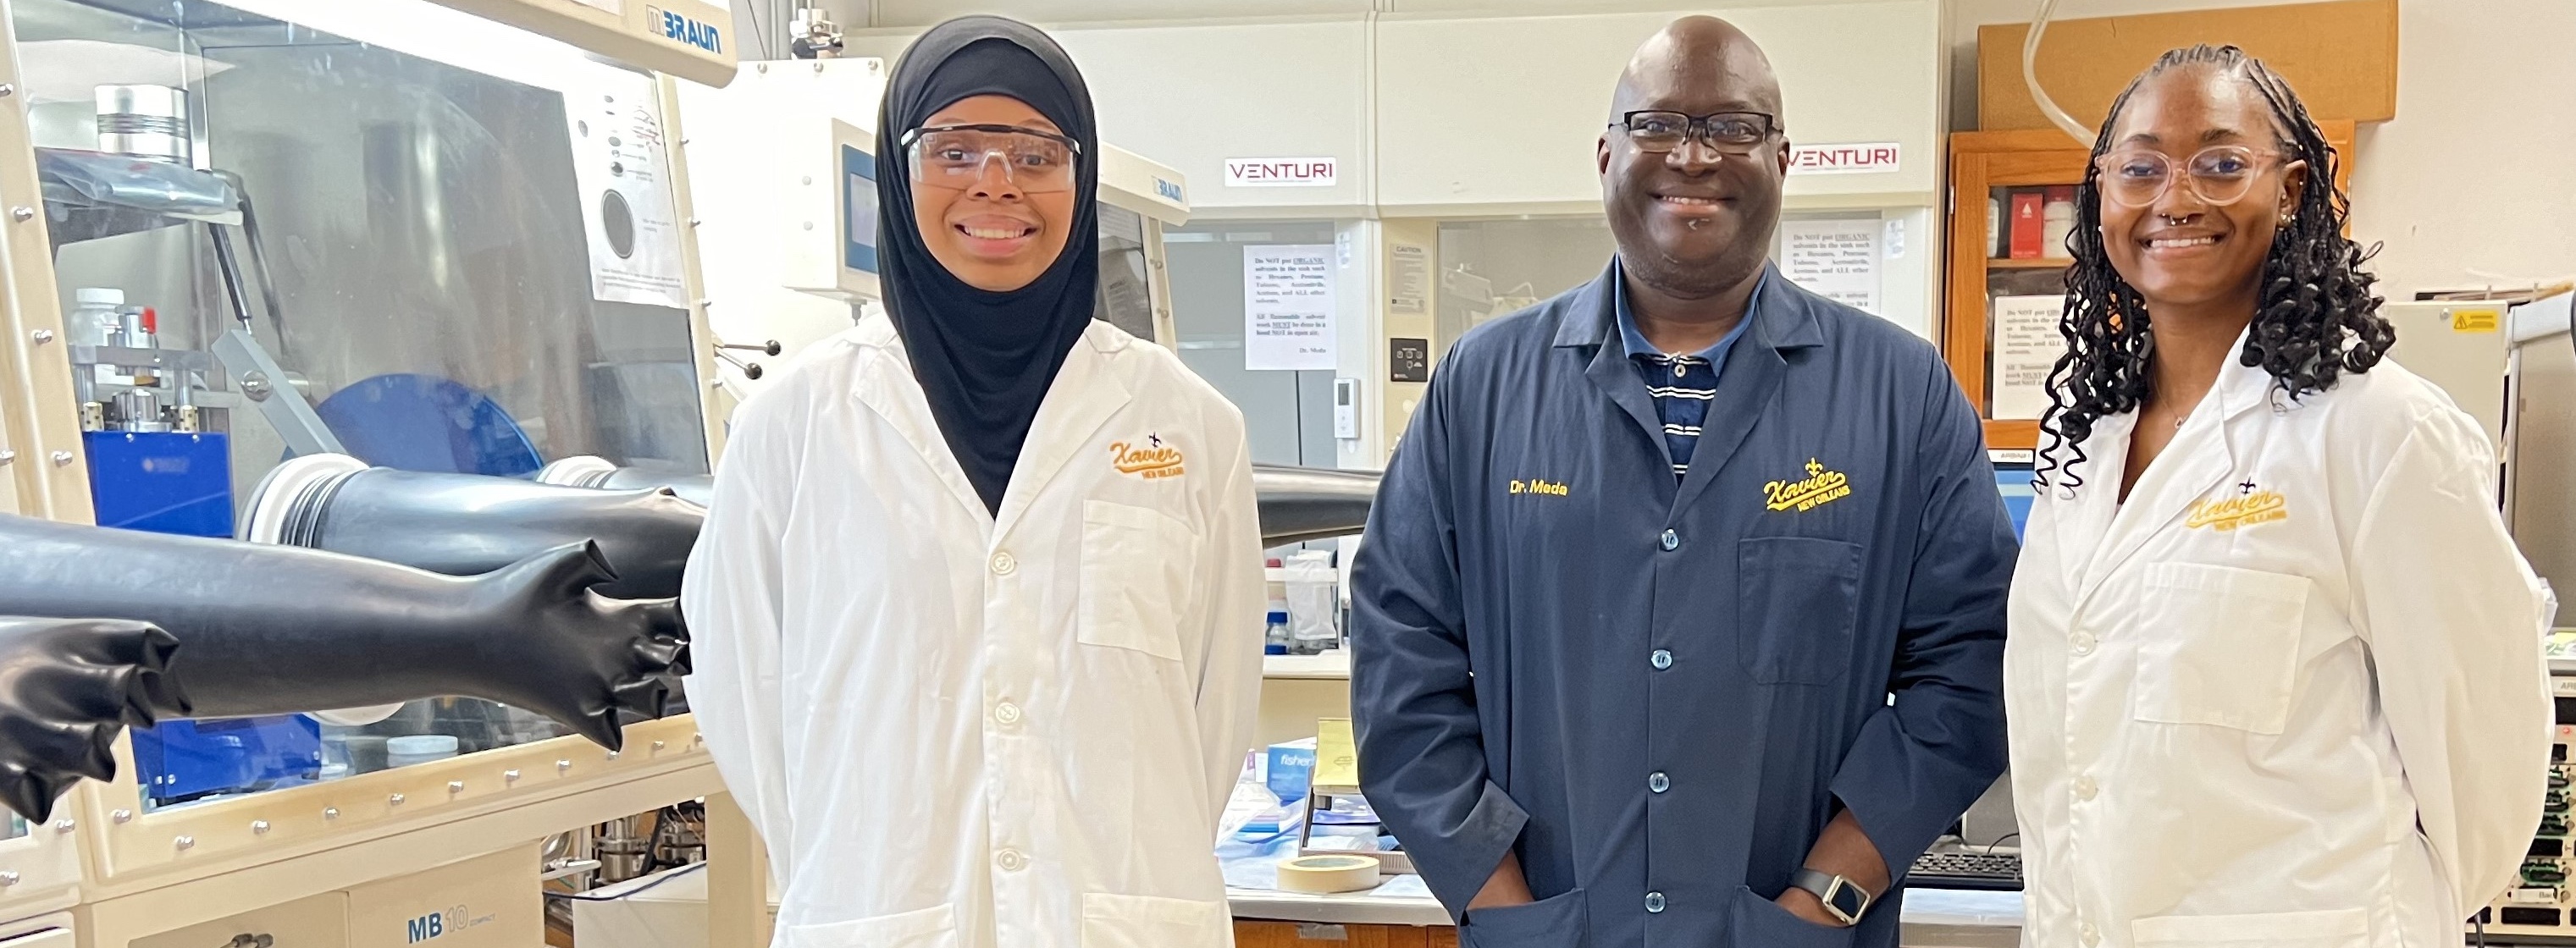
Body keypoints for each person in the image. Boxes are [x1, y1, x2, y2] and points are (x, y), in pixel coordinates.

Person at [1350, 15, 2015, 947]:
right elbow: (1398, 658)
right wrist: (1496, 900)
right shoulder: (1484, 386)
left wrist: (1827, 898)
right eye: (1657, 123)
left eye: (1734, 127)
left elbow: (1972, 671)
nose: (1694, 156)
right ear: (1605, 152)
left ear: (1784, 158)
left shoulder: (1902, 395)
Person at [681, 16, 1264, 947]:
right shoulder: (791, 429)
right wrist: (860, 864)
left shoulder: (1191, 429)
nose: (996, 183)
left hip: (1120, 914)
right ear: (896, 172)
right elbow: (743, 695)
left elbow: (1216, 708)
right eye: (954, 150)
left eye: (1037, 153)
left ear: (1081, 176)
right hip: (885, 910)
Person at [2007, 45, 2554, 948]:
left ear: (2292, 189)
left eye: (2221, 164)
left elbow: (2485, 767)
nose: (2175, 197)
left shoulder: (2380, 433)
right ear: (2102, 194)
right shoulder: (2083, 442)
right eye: (2140, 167)